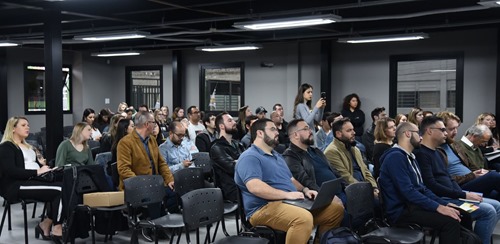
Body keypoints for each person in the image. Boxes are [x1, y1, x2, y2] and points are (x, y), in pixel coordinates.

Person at [235, 118, 344, 244]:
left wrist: (306, 190)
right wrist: (287, 195)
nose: (277, 132)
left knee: (335, 210)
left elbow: (291, 179)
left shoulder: (277, 156)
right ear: (260, 133)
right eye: (272, 129)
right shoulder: (250, 157)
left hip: (289, 203)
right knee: (303, 219)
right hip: (262, 208)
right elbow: (255, 187)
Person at [415, 116, 500, 244]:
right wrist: (463, 194)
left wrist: (464, 195)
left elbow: (448, 178)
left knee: (496, 205)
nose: (446, 133)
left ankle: (475, 240)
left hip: (455, 196)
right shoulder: (421, 154)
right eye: (443, 130)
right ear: (429, 131)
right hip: (445, 201)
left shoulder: (437, 153)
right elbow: (431, 185)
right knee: (488, 211)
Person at [378, 122, 461, 244]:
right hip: (402, 211)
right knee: (451, 222)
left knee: (461, 214)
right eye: (418, 133)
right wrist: (437, 207)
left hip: (412, 205)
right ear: (408, 134)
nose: (421, 137)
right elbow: (408, 192)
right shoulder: (395, 157)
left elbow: (422, 188)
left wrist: (444, 204)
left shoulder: (409, 156)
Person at [0, 117, 64, 240]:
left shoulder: (29, 147)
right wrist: (37, 171)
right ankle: (56, 227)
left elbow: (36, 165)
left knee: (65, 186)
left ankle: (46, 224)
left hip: (34, 180)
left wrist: (46, 168)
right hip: (17, 185)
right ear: (13, 128)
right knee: (59, 191)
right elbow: (10, 171)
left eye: (28, 125)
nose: (27, 127)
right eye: (23, 125)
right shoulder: (6, 147)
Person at [117, 111, 176, 241]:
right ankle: (150, 226)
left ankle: (158, 222)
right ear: (147, 124)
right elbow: (123, 169)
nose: (156, 125)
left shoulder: (152, 140)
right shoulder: (125, 142)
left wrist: (169, 179)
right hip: (133, 186)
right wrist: (142, 184)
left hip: (154, 183)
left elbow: (161, 163)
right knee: (154, 193)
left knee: (175, 190)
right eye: (154, 122)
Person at [324, 118, 378, 195]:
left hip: (364, 187)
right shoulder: (332, 152)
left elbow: (365, 171)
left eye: (353, 129)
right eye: (349, 131)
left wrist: (374, 187)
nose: (354, 132)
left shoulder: (355, 149)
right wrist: (367, 191)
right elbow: (345, 177)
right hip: (351, 191)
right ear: (338, 134)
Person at [210, 112, 244, 202]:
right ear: (222, 126)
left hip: (244, 183)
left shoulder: (238, 144)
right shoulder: (216, 148)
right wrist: (240, 162)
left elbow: (248, 162)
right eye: (230, 121)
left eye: (233, 120)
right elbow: (233, 168)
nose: (234, 122)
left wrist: (237, 161)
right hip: (232, 189)